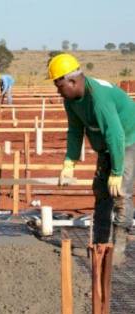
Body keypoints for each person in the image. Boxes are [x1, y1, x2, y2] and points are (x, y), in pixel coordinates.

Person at [50, 53, 135, 265]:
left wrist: (116, 172)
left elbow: (116, 135)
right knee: (100, 190)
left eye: (59, 85)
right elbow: (75, 131)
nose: (57, 90)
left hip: (128, 140)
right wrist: (69, 161)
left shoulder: (99, 98)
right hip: (107, 145)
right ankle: (99, 246)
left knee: (120, 193)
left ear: (72, 81)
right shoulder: (70, 100)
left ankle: (118, 251)